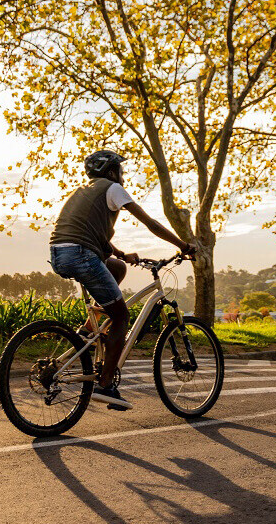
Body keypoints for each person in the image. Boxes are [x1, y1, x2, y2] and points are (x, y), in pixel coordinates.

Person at [49, 150, 195, 410]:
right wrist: (183, 245)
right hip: (82, 254)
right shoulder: (113, 188)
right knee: (121, 316)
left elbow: (89, 231)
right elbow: (150, 223)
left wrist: (120, 254)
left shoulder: (83, 192)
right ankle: (105, 385)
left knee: (116, 267)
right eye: (121, 171)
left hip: (62, 253)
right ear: (112, 172)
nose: (123, 176)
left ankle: (89, 329)